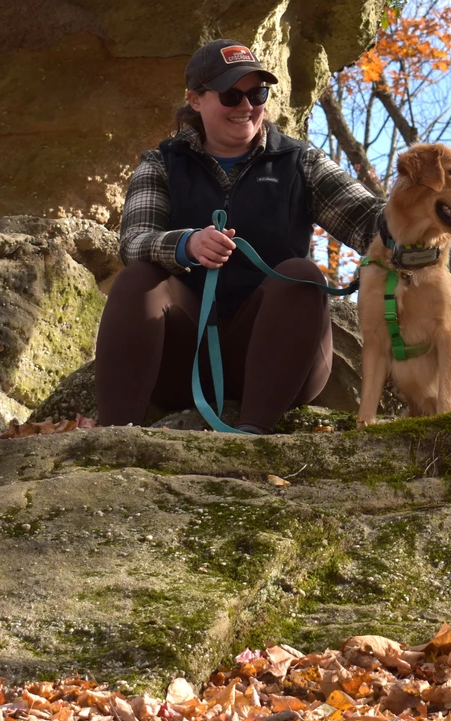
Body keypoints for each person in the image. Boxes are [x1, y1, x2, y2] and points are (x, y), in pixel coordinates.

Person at [94, 39, 382, 433]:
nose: (247, 106)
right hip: (183, 363)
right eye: (231, 95)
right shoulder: (161, 164)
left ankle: (251, 437)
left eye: (257, 93)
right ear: (195, 100)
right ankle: (112, 437)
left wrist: (429, 211)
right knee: (137, 279)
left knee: (302, 274)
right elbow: (134, 241)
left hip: (284, 366)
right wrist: (186, 244)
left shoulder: (301, 162)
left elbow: (370, 221)